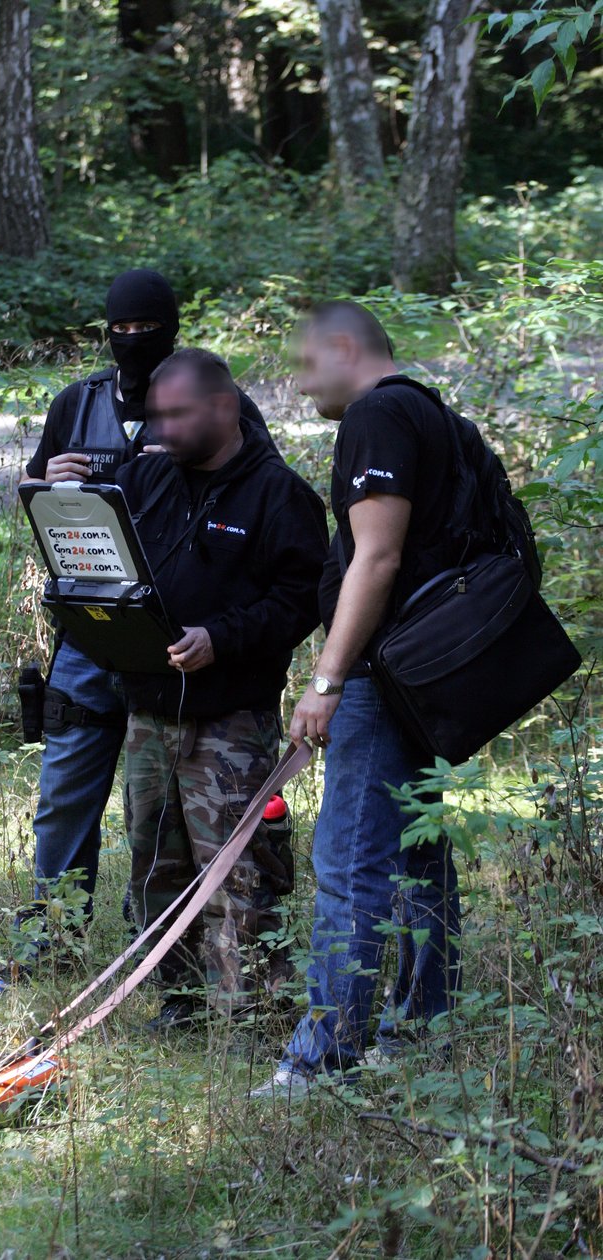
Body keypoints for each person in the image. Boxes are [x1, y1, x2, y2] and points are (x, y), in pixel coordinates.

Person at [0, 270, 268, 996]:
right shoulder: (78, 404)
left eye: (148, 329)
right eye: (122, 330)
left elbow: (256, 493)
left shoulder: (210, 401)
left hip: (175, 641)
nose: (133, 341)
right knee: (66, 794)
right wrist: (49, 478)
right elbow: (38, 503)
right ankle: (50, 941)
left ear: (172, 327)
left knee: (169, 816)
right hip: (89, 633)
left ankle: (188, 959)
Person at [250, 300, 462, 1097]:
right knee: (417, 853)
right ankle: (425, 1029)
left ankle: (323, 1057)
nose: (302, 386)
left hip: (383, 675)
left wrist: (327, 680)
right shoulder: (430, 413)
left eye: (306, 366)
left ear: (344, 348)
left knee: (348, 864)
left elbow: (377, 557)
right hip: (430, 674)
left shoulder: (378, 416)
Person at [117, 348, 329, 1027]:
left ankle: (254, 1013)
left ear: (224, 407)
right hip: (150, 710)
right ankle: (178, 1002)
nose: (164, 429)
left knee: (239, 870)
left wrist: (223, 637)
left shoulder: (279, 495)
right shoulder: (147, 480)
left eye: (178, 414)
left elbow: (302, 600)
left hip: (230, 719)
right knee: (155, 862)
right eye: (156, 416)